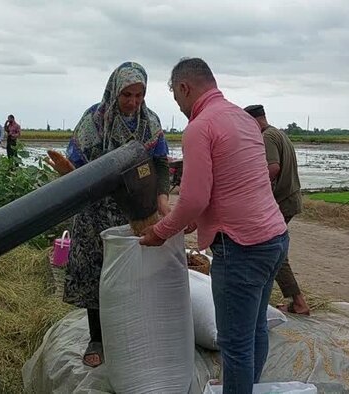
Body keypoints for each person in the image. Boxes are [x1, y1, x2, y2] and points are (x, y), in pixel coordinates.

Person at [140, 58, 288, 393]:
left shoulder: (200, 127)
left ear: (184, 88)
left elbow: (192, 199)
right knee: (255, 331)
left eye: (178, 100)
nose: (181, 107)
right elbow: (230, 183)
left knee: (235, 345)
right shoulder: (243, 119)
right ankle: (247, 386)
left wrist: (161, 232)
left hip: (242, 249)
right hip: (276, 239)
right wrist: (194, 219)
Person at [48, 61, 171, 368]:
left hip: (135, 212)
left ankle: (130, 333)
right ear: (114, 91)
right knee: (96, 273)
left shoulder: (149, 122)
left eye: (139, 95)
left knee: (133, 274)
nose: (133, 102)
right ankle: (98, 338)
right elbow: (75, 165)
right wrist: (69, 174)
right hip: (95, 211)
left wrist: (162, 197)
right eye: (127, 95)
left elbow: (160, 164)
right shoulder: (95, 120)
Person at [244, 104, 310, 316]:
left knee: (274, 252)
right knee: (275, 250)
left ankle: (298, 302)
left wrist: (254, 188)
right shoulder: (279, 133)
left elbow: (273, 167)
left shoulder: (267, 137)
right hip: (290, 198)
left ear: (254, 121)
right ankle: (291, 298)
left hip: (282, 201)